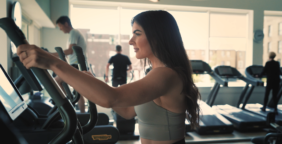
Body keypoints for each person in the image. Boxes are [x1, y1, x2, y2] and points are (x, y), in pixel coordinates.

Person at [17, 10, 200, 144]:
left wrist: (52, 62)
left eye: (137, 34)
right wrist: (86, 83)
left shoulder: (167, 75)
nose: (130, 41)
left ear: (157, 37)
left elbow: (112, 98)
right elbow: (128, 111)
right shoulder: (153, 74)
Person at [52, 16, 87, 113]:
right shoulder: (75, 33)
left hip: (76, 65)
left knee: (56, 81)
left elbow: (70, 51)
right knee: (78, 92)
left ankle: (66, 109)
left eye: (60, 26)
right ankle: (81, 113)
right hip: (77, 64)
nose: (60, 29)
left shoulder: (73, 32)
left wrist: (50, 54)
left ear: (66, 24)